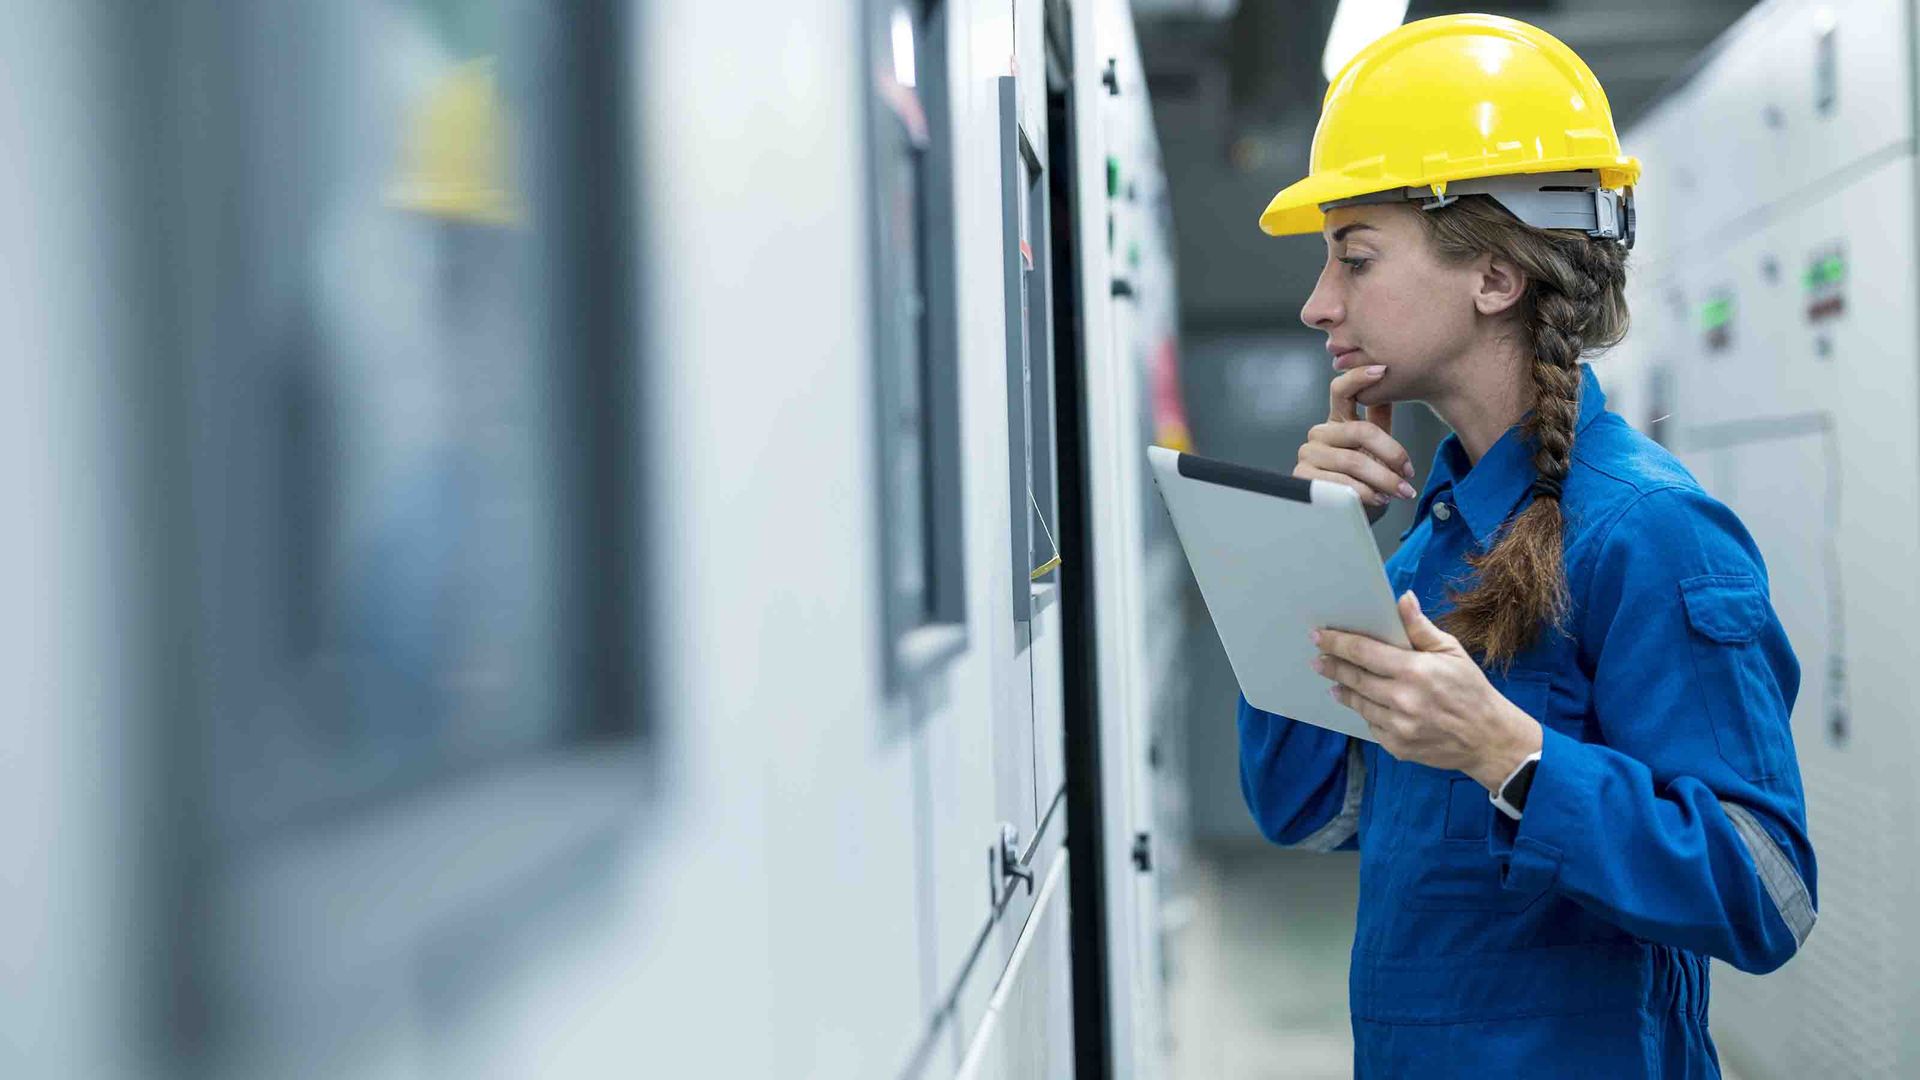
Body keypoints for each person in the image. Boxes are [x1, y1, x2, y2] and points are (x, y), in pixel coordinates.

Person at [1240, 14, 1815, 1077]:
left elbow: (1765, 888)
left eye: (1355, 258)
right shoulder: (1435, 537)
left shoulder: (1650, 533)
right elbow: (1307, 808)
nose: (1321, 303)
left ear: (1495, 277)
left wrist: (1511, 754)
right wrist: (1306, 553)